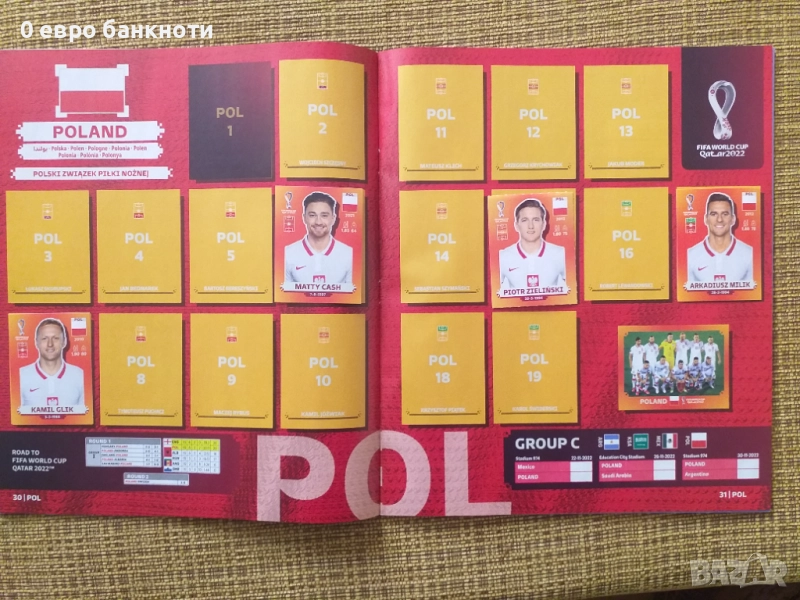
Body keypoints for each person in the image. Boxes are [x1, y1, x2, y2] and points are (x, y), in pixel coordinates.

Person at [283, 191, 353, 286]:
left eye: (324, 215)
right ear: (304, 218)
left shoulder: (349, 254)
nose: (318, 222)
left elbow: (353, 292)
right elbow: (284, 292)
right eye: (312, 215)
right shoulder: (288, 253)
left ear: (333, 219)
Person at [499, 198, 566, 290]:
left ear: (544, 224)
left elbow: (571, 289)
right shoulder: (503, 256)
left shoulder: (560, 254)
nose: (530, 226)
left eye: (536, 220)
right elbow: (495, 291)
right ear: (516, 225)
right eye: (525, 220)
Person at [686, 192, 754, 283]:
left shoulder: (749, 254)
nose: (719, 219)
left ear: (733, 219)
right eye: (714, 214)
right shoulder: (691, 255)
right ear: (706, 219)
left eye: (725, 214)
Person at [19, 318, 85, 407]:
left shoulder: (80, 375)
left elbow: (85, 414)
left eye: (55, 338)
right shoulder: (21, 376)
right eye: (44, 338)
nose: (50, 344)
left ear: (64, 342)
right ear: (36, 342)